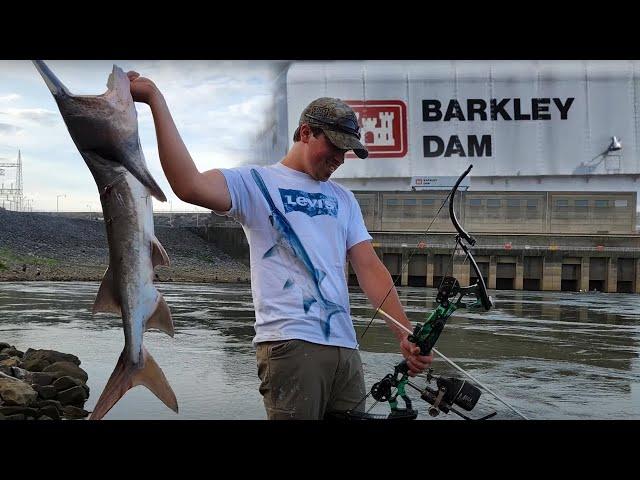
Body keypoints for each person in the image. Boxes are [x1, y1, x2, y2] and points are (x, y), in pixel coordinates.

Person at [127, 71, 432, 419]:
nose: (340, 158)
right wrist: (155, 99)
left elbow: (370, 269)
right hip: (290, 343)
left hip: (345, 350)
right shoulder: (255, 182)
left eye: (346, 151)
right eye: (334, 145)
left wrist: (404, 332)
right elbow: (189, 184)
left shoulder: (344, 199)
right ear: (305, 132)